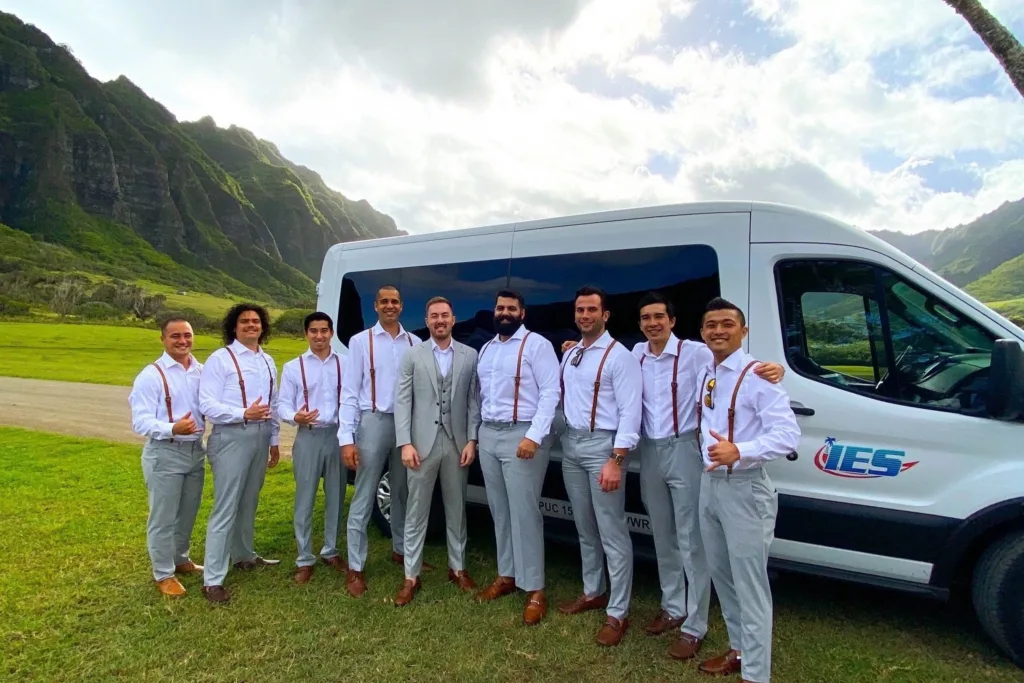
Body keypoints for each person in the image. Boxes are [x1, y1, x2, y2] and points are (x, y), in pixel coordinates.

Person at [631, 291, 784, 663]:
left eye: (659, 317)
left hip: (686, 449)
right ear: (640, 323)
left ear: (673, 321)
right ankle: (672, 606)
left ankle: (695, 625)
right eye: (646, 318)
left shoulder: (697, 352)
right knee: (662, 532)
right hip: (650, 450)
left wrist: (773, 368)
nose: (653, 323)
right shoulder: (635, 354)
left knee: (692, 540)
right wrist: (571, 346)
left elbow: (738, 365)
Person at [693, 297, 800, 683]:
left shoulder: (759, 376)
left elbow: (788, 435)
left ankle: (756, 675)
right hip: (710, 485)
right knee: (722, 575)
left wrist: (741, 450)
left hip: (745, 488)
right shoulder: (708, 367)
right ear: (702, 332)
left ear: (744, 330)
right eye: (711, 325)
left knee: (750, 586)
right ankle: (738, 649)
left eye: (727, 324)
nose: (718, 330)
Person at [556, 285, 642, 647]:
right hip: (572, 444)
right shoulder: (572, 352)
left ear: (605, 315)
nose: (585, 316)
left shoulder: (619, 357)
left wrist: (616, 460)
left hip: (602, 446)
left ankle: (618, 612)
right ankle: (593, 590)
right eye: (580, 310)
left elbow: (630, 412)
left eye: (592, 310)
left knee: (612, 531)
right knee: (584, 526)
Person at [473, 289, 560, 625]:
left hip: (521, 434)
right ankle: (506, 575)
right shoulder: (488, 348)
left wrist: (533, 436)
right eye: (499, 307)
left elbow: (552, 392)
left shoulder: (536, 345)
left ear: (522, 313)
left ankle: (535, 588)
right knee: (500, 510)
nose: (504, 312)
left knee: (524, 513)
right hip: (490, 433)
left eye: (511, 308)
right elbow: (481, 394)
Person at [392, 296, 482, 606]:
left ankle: (457, 568)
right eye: (434, 316)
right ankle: (411, 575)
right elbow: (402, 401)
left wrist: (472, 440)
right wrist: (405, 442)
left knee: (457, 509)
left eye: (445, 315)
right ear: (427, 321)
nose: (440, 320)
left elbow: (473, 401)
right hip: (421, 444)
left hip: (456, 443)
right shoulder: (412, 355)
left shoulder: (470, 355)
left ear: (453, 319)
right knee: (417, 512)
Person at [339, 284, 425, 598]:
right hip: (373, 420)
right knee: (364, 493)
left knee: (402, 490)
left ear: (401, 306)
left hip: (406, 424)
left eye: (395, 302)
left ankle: (400, 550)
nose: (390, 306)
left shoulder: (415, 342)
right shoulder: (361, 342)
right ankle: (356, 566)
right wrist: (346, 438)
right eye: (384, 302)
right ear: (376, 306)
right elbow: (349, 392)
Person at [198, 303, 282, 604]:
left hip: (259, 438)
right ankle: (212, 579)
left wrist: (273, 441)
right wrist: (242, 412)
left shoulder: (268, 361)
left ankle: (244, 555)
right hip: (231, 436)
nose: (251, 325)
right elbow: (207, 404)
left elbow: (272, 406)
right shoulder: (220, 360)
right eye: (245, 321)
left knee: (249, 500)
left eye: (256, 321)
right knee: (226, 506)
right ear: (234, 327)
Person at [127, 317, 206, 597]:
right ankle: (163, 573)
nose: (182, 341)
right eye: (175, 336)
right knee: (163, 516)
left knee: (187, 511)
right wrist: (172, 427)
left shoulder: (201, 371)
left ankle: (181, 558)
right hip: (165, 451)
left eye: (187, 335)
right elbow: (140, 422)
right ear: (163, 339)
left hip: (196, 451)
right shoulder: (151, 375)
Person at [279, 312, 347, 584]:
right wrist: (295, 416)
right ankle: (304, 557)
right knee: (305, 498)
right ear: (306, 334)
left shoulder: (345, 363)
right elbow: (282, 404)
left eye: (324, 330)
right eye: (314, 331)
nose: (319, 336)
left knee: (336, 495)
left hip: (337, 435)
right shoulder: (294, 367)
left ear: (331, 333)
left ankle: (331, 551)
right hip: (307, 436)